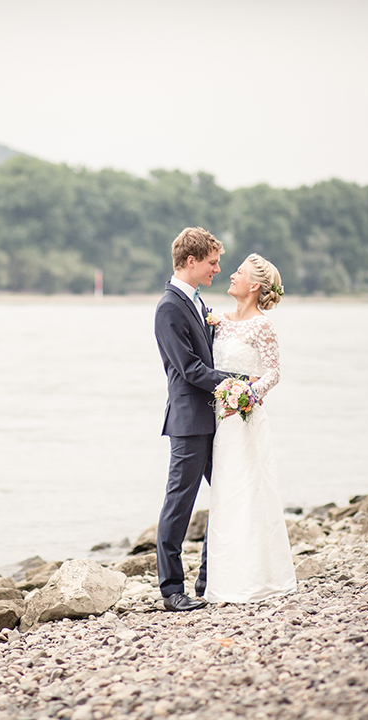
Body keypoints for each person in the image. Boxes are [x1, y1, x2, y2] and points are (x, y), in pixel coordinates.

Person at [153, 227, 242, 612]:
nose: (217, 269)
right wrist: (237, 381)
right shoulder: (169, 307)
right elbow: (190, 369)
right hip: (189, 422)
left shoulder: (194, 303)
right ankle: (172, 589)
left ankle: (208, 579)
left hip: (211, 418)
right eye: (212, 262)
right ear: (191, 261)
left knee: (226, 494)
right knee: (180, 503)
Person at [203, 253, 297, 603]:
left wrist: (246, 394)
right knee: (226, 494)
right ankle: (225, 579)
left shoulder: (263, 326)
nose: (231, 275)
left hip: (245, 418)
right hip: (219, 422)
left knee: (251, 493)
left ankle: (259, 578)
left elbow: (273, 372)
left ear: (254, 286)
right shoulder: (219, 321)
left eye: (238, 272)